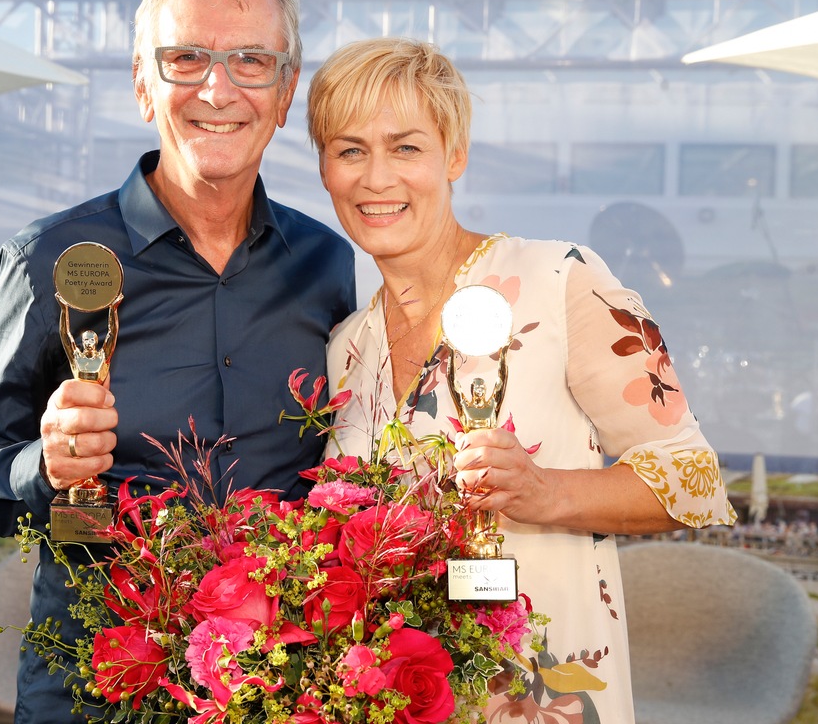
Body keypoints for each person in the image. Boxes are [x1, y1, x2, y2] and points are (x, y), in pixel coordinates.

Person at [0, 0, 356, 721]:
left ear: (284, 89)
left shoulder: (327, 264)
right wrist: (46, 467)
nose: (217, 89)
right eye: (186, 59)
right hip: (95, 691)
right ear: (142, 82)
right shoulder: (50, 257)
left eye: (250, 61)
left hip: (284, 688)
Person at [307, 37, 735, 722]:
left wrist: (545, 492)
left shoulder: (562, 279)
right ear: (325, 168)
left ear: (455, 155)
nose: (375, 177)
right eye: (350, 149)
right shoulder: (344, 350)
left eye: (406, 147)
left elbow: (697, 482)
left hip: (551, 698)